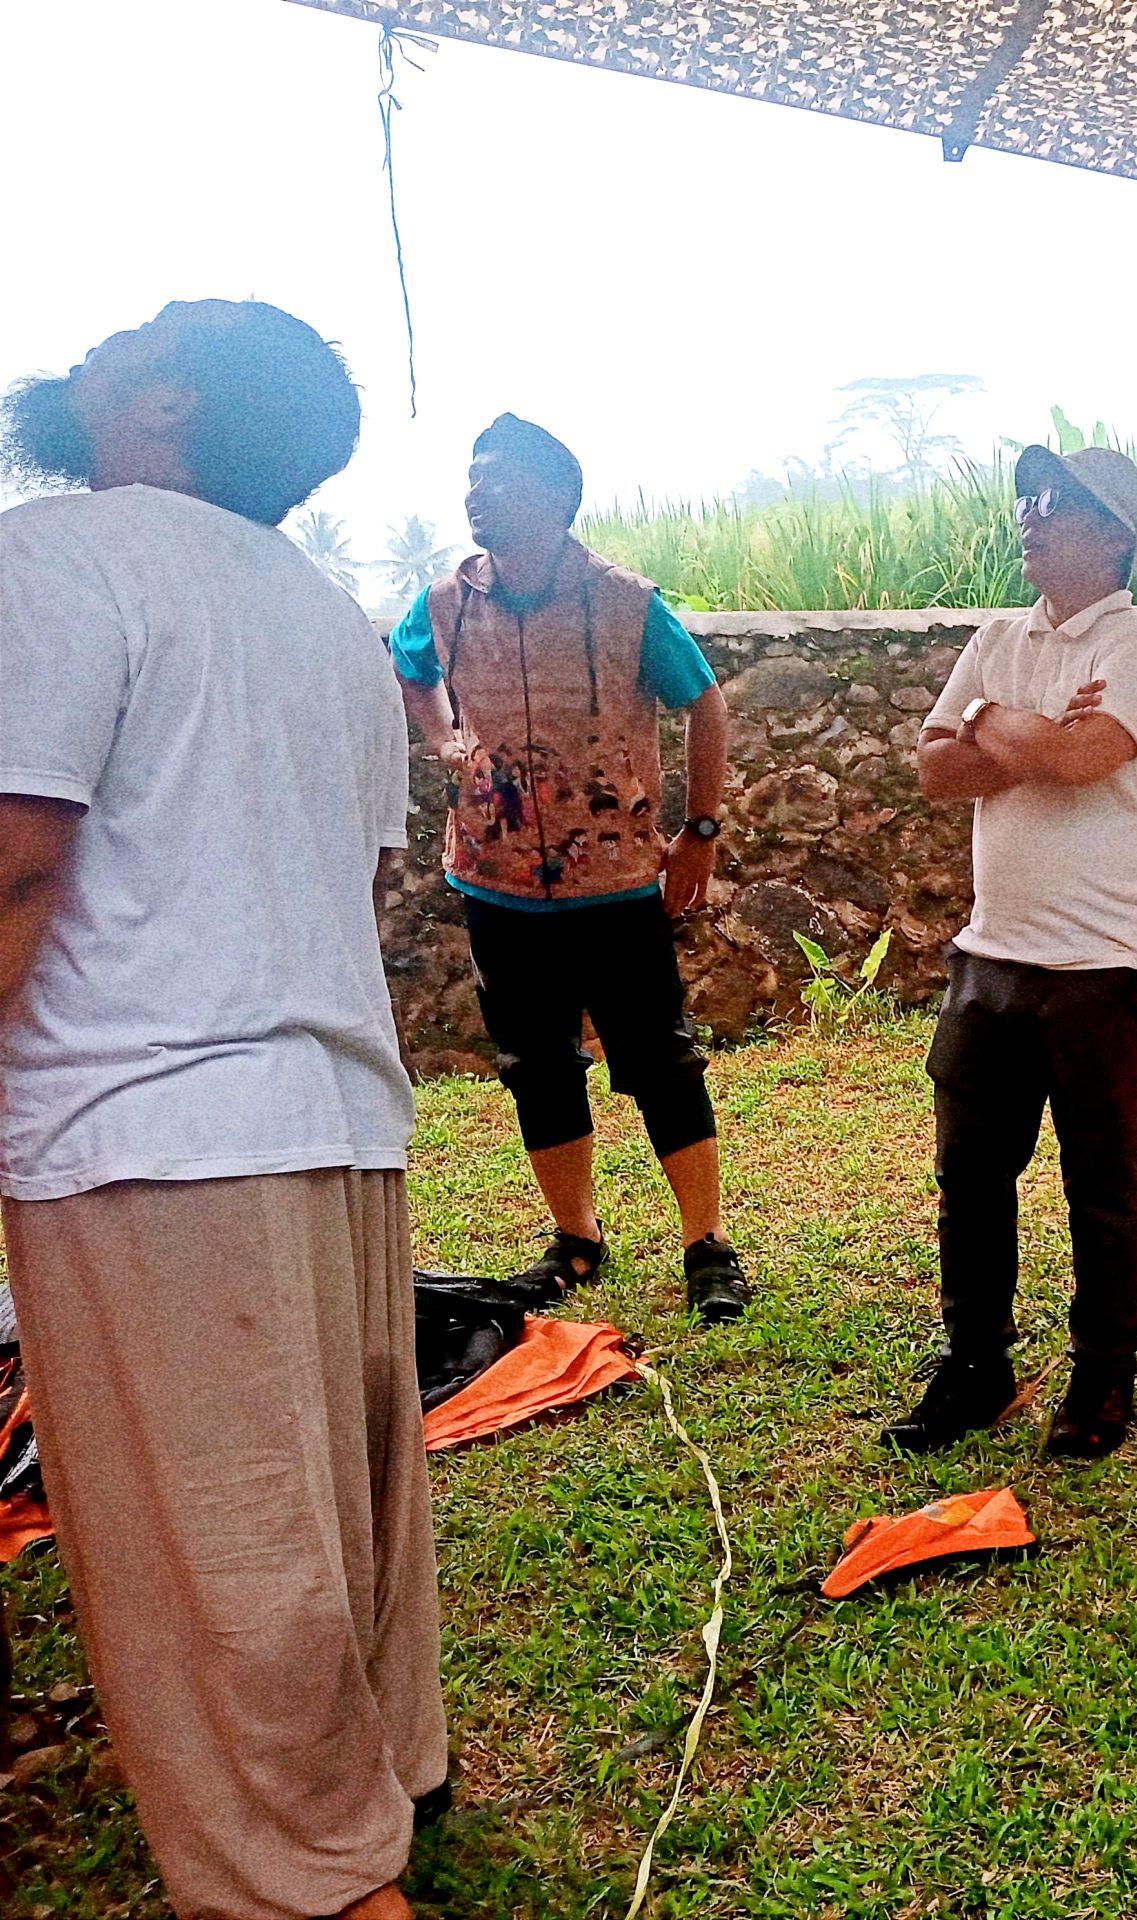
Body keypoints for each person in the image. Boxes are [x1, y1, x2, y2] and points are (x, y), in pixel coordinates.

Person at [0, 301, 442, 1920]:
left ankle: (321, 1888)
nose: (95, 344)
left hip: (152, 1137)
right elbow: (364, 885)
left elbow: (17, 862)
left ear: (166, 401)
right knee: (333, 1522)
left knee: (218, 1569)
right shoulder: (326, 615)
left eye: (135, 335)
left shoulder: (57, 558)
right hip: (336, 1121)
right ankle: (376, 1794)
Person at [389, 416, 751, 1321]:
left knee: (658, 1057)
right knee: (534, 1062)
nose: (476, 493)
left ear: (556, 497)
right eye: (471, 478)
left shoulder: (624, 602)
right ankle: (577, 1237)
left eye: (498, 479)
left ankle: (706, 1243)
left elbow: (703, 699)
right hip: (493, 877)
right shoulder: (445, 601)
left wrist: (698, 830)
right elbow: (410, 668)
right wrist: (447, 740)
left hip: (616, 878)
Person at [890, 445, 1137, 1459]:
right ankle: (976, 1367)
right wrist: (1019, 730)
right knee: (970, 1177)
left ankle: (1103, 1382)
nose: (1031, 513)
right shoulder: (999, 634)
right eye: (1028, 498)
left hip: (1106, 961)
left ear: (1118, 534)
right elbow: (933, 772)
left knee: (1099, 1181)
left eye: (1058, 502)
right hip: (993, 954)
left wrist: (990, 723)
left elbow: (1078, 758)